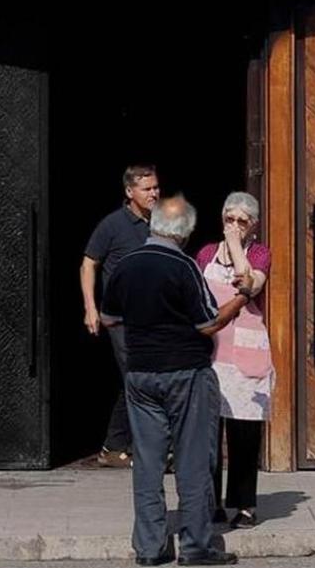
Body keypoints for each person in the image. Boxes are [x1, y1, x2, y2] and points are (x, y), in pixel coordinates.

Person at [101, 196, 248, 567]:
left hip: (140, 375)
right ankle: (196, 547)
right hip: (186, 373)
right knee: (193, 461)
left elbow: (109, 317)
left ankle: (150, 549)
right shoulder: (184, 268)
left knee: (147, 463)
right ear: (184, 233)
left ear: (153, 226)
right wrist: (241, 298)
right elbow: (209, 323)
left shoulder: (127, 265)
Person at [196, 192, 272, 530]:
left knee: (245, 431)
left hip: (246, 353)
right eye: (230, 219)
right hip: (213, 351)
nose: (235, 226)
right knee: (209, 431)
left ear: (253, 225)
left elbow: (249, 284)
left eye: (242, 221)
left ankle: (244, 503)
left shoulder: (259, 253)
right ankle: (210, 502)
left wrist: (237, 246)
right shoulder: (206, 253)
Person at [81, 165, 160, 468]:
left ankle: (113, 446)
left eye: (155, 187)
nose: (154, 193)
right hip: (120, 319)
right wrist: (90, 307)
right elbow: (88, 264)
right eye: (147, 188)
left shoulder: (160, 223)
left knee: (136, 379)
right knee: (139, 376)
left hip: (154, 318)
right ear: (130, 192)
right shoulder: (112, 225)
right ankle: (147, 448)